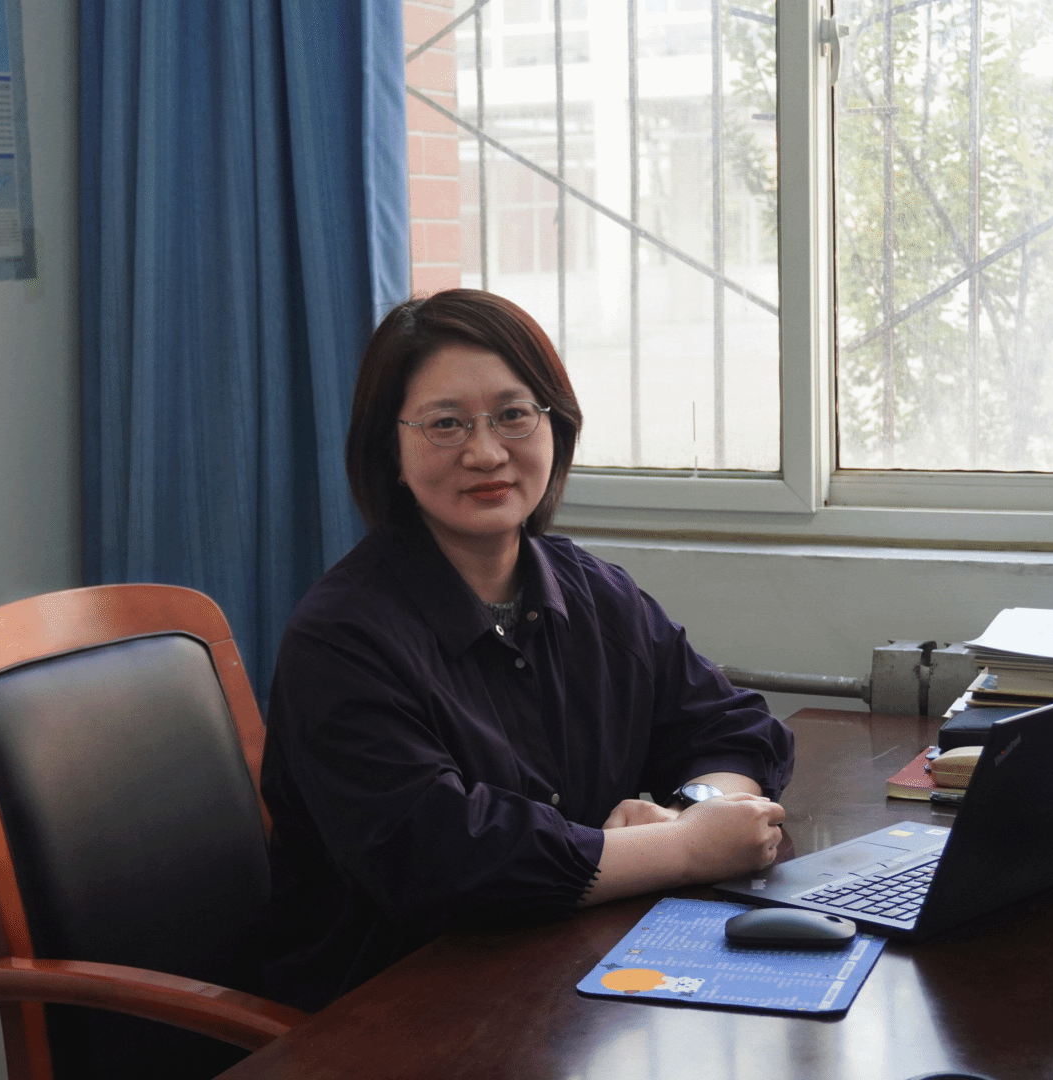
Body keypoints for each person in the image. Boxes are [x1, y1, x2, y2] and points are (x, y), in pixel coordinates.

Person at [258, 289, 795, 1012]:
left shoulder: (594, 591)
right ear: (392, 450)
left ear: (555, 426)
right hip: (391, 1008)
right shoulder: (340, 639)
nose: (486, 453)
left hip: (565, 980)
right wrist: (685, 849)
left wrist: (699, 808)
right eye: (445, 423)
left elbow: (729, 726)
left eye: (513, 415)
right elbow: (443, 859)